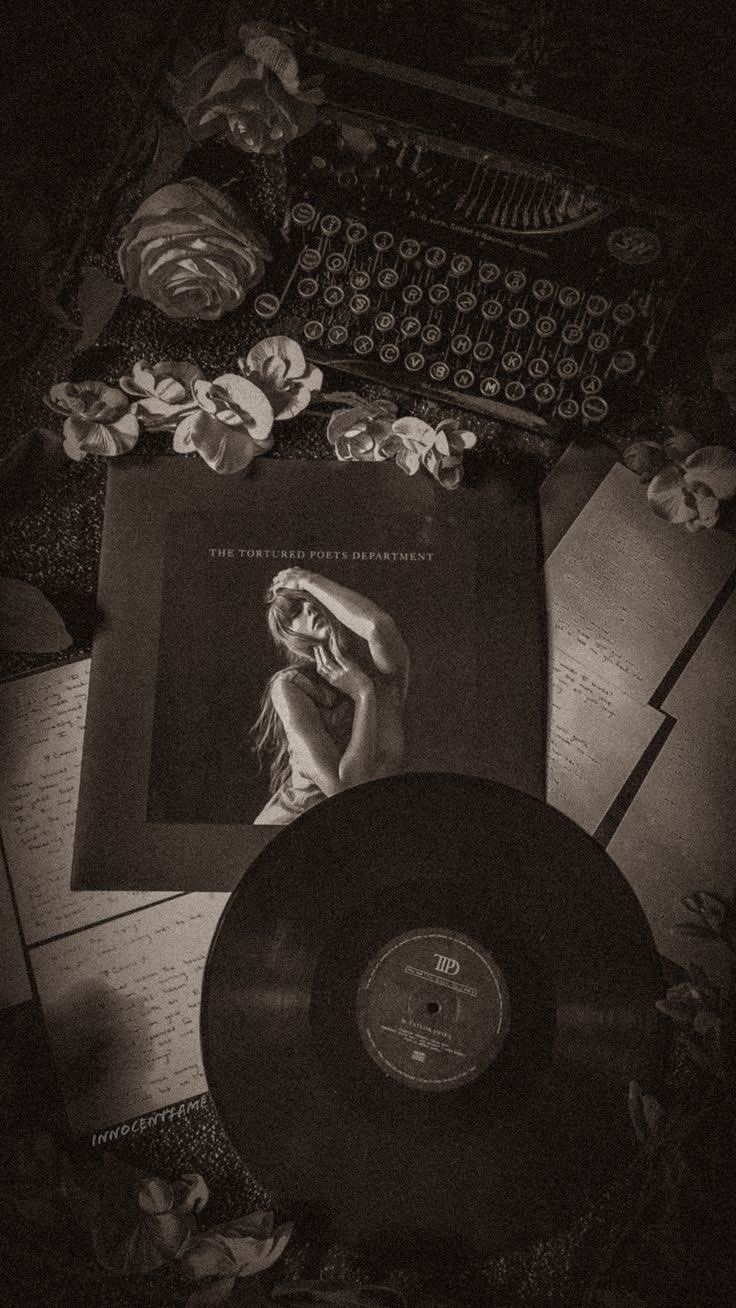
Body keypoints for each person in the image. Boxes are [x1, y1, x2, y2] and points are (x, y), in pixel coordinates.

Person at [251, 568, 409, 825]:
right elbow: (345, 792)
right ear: (289, 633)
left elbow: (379, 627)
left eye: (310, 600)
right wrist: (362, 694)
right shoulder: (291, 686)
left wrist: (308, 580)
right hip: (290, 827)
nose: (309, 610)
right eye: (295, 612)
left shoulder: (384, 672)